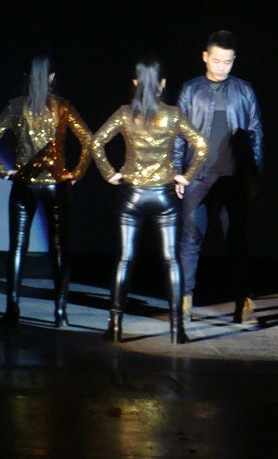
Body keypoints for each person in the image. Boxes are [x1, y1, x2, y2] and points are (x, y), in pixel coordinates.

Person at [92, 58, 208, 344]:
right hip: (164, 195)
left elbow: (96, 142)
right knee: (171, 261)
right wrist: (186, 177)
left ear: (135, 83)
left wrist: (110, 174)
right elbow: (201, 145)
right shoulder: (173, 114)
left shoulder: (125, 114)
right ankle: (177, 330)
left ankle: (115, 327)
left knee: (125, 259)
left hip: (132, 194)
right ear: (163, 84)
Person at [0, 56, 92, 328]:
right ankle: (60, 312)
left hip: (24, 185)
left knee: (17, 247)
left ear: (26, 76)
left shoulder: (16, 106)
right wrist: (76, 173)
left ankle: (12, 310)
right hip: (56, 185)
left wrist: (3, 170)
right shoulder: (63, 107)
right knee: (60, 248)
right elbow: (88, 139)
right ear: (51, 77)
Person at [173, 30, 263, 324]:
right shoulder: (190, 90)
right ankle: (184, 300)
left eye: (227, 62)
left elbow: (255, 133)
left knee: (236, 241)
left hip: (233, 177)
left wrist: (255, 174)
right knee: (190, 239)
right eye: (216, 61)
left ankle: (243, 301)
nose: (222, 67)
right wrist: (177, 172)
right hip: (197, 176)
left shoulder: (244, 90)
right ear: (205, 57)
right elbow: (178, 133)